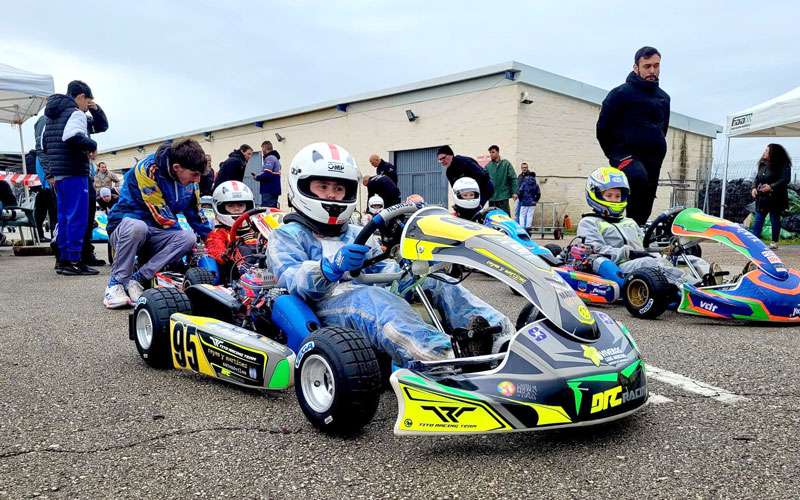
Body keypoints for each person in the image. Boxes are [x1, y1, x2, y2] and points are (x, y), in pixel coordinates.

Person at [267, 142, 514, 368]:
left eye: (339, 188)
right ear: (301, 187)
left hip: (366, 295)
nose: (332, 195)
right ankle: (444, 357)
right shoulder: (286, 235)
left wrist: (411, 269)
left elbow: (381, 270)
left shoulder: (355, 231)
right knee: (374, 299)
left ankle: (500, 336)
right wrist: (328, 268)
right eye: (323, 187)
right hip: (322, 305)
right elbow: (290, 279)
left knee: (435, 281)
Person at [103, 139, 212, 309]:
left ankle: (137, 279)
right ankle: (115, 284)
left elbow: (197, 216)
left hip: (155, 233)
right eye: (194, 174)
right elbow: (163, 217)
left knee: (188, 238)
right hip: (125, 228)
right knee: (138, 227)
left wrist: (214, 242)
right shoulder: (148, 168)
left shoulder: (191, 183)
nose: (197, 180)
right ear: (177, 168)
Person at [575, 166, 714, 287]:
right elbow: (596, 251)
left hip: (643, 259)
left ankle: (718, 284)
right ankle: (695, 289)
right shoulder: (589, 222)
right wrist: (628, 252)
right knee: (652, 264)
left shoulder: (629, 221)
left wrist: (665, 251)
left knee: (692, 260)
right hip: (620, 265)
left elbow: (646, 245)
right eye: (609, 195)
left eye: (618, 196)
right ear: (595, 195)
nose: (614, 199)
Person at [596, 46, 670, 225]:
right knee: (637, 178)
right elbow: (602, 128)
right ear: (636, 68)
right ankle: (617, 229)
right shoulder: (620, 94)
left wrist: (657, 146)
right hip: (626, 156)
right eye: (647, 66)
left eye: (656, 66)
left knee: (645, 204)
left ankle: (636, 238)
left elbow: (663, 129)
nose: (652, 70)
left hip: (653, 159)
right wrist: (615, 155)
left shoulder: (664, 98)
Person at [42, 80, 108, 276]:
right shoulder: (76, 113)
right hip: (74, 172)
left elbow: (45, 144)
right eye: (87, 101)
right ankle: (74, 261)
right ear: (80, 96)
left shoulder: (51, 117)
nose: (87, 107)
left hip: (59, 173)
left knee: (63, 218)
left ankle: (63, 261)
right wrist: (92, 144)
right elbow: (71, 136)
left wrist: (52, 169)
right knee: (77, 218)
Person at [205, 180, 258, 279]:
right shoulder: (219, 233)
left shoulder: (256, 229)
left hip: (262, 268)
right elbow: (216, 250)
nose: (237, 209)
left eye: (240, 205)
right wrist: (226, 255)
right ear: (220, 207)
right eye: (231, 205)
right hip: (235, 271)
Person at [750, 144, 793, 249]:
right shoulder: (762, 164)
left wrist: (771, 187)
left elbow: (785, 180)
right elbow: (757, 178)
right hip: (762, 197)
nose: (764, 152)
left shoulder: (783, 164)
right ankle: (755, 242)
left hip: (776, 197)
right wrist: (754, 188)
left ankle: (774, 242)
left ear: (773, 153)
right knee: (758, 219)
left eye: (767, 151)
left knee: (774, 219)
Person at [485, 145, 517, 214]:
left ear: (498, 152)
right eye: (490, 152)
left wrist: (514, 192)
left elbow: (513, 178)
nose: (491, 154)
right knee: (492, 216)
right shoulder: (488, 166)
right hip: (492, 197)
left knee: (504, 216)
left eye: (493, 152)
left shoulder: (506, 164)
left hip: (503, 196)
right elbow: (484, 180)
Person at [253, 141, 281, 208]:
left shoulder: (270, 158)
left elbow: (267, 174)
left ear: (265, 148)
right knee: (272, 210)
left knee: (267, 210)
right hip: (273, 190)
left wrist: (257, 177)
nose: (262, 151)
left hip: (269, 190)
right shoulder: (275, 158)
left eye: (262, 148)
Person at [516, 164, 540, 230]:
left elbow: (520, 192)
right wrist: (535, 200)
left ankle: (522, 228)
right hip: (532, 202)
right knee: (530, 215)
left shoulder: (524, 183)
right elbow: (538, 193)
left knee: (522, 215)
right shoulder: (536, 184)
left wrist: (521, 199)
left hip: (524, 202)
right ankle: (528, 228)